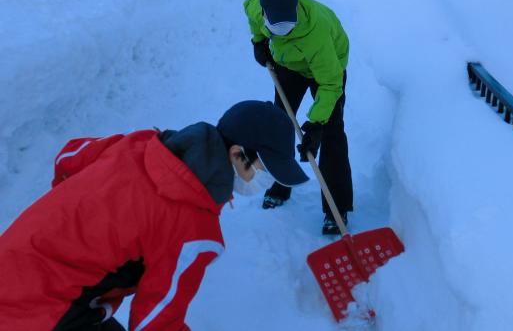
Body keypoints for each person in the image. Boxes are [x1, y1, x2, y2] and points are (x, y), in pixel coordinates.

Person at [0, 100, 307, 331]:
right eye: (264, 170)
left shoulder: (143, 142)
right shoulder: (192, 226)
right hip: (39, 313)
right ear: (237, 154)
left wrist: (72, 221)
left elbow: (70, 156)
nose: (266, 181)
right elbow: (156, 321)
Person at [244, 0, 352, 235]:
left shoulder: (317, 33)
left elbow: (331, 84)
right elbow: (248, 8)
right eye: (275, 27)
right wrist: (259, 41)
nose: (284, 32)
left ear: (295, 13)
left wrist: (315, 124)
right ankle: (283, 182)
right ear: (265, 14)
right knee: (280, 121)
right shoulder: (257, 10)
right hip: (289, 65)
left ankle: (336, 207)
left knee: (332, 132)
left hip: (328, 69)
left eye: (288, 26)